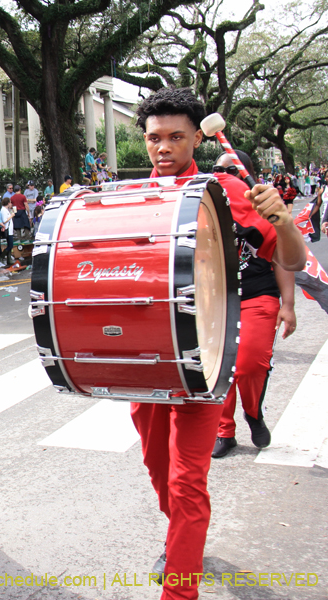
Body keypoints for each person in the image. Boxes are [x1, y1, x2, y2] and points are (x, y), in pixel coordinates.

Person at [132, 87, 305, 600]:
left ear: (194, 140)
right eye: (154, 138)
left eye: (176, 137)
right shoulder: (130, 198)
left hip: (207, 355)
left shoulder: (224, 188)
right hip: (151, 356)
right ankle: (181, 534)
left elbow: (290, 258)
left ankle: (180, 586)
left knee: (188, 482)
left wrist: (282, 218)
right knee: (157, 468)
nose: (163, 147)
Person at [211, 150, 297, 459]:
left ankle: (253, 413)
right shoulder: (203, 207)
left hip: (258, 295)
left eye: (232, 170)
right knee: (217, 369)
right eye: (218, 169)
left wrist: (288, 305)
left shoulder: (265, 210)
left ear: (249, 175)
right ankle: (224, 431)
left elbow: (284, 258)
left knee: (247, 365)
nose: (223, 175)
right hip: (216, 302)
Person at [0, 197, 15, 266]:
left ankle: (9, 259)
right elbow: (4, 220)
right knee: (10, 245)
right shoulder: (3, 210)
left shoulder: (7, 210)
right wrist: (11, 216)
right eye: (10, 202)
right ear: (8, 203)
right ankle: (2, 256)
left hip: (10, 230)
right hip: (8, 230)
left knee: (10, 245)